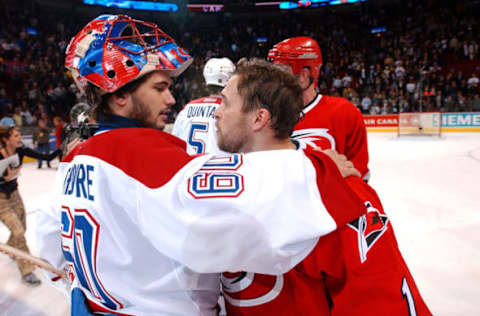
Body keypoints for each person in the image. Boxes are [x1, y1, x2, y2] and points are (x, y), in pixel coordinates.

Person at [35, 15, 365, 316]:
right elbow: (233, 205)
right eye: (159, 88)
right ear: (119, 95)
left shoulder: (76, 158)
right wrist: (316, 168)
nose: (170, 100)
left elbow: (49, 241)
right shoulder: (137, 152)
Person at [214, 58, 432, 316]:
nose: (216, 111)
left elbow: (381, 303)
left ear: (259, 118)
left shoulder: (340, 192)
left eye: (225, 103)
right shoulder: (222, 184)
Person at [268, 37, 371, 180]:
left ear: (304, 75)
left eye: (282, 71)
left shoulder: (344, 113)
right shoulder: (264, 115)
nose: (273, 79)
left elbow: (359, 177)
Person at [0, 125, 60, 286]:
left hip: (14, 194)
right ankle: (27, 270)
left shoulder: (20, 151)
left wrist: (63, 148)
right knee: (18, 231)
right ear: (6, 139)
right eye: (16, 136)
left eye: (20, 135)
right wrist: (5, 178)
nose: (20, 138)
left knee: (22, 228)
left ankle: (13, 248)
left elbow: (46, 157)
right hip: (1, 201)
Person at [171, 57, 235, 154]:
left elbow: (174, 143)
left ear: (205, 83)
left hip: (190, 166)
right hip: (220, 167)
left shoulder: (187, 108)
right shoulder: (233, 110)